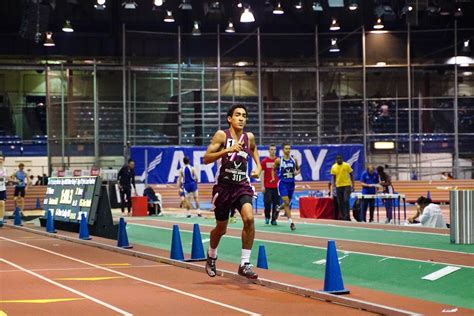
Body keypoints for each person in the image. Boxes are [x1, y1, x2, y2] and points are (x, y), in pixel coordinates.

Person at [203, 104, 262, 279]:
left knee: (249, 219)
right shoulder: (222, 135)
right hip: (223, 187)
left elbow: (253, 150)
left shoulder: (248, 137)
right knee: (221, 229)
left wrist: (258, 167)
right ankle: (212, 255)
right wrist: (228, 150)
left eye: (244, 115)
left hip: (242, 186)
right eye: (238, 115)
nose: (242, 118)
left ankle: (244, 263)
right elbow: (206, 158)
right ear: (230, 118)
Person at [274, 143, 299, 230]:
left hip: (291, 183)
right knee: (287, 202)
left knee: (286, 203)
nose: (288, 150)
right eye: (286, 149)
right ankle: (291, 222)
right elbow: (274, 169)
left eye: (289, 148)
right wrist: (276, 176)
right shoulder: (278, 160)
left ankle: (279, 207)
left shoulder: (294, 159)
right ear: (283, 150)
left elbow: (298, 169)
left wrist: (296, 172)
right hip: (282, 184)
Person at [330, 155, 355, 221]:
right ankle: (343, 216)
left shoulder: (346, 165)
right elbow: (333, 177)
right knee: (340, 202)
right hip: (338, 186)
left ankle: (347, 216)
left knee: (346, 200)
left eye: (340, 158)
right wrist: (333, 186)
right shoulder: (334, 167)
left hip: (347, 185)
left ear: (342, 159)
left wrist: (353, 185)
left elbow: (351, 175)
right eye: (338, 159)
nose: (339, 160)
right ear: (336, 160)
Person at [261, 144, 279, 225]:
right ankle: (267, 217)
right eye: (271, 149)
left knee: (276, 204)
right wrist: (262, 186)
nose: (273, 151)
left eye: (274, 149)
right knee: (267, 203)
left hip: (277, 187)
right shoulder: (264, 161)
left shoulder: (279, 161)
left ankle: (274, 219)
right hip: (267, 186)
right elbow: (262, 173)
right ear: (269, 150)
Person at [0, 156, 7, 227]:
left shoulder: (5, 169)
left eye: (2, 159)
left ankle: (1, 220)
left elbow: (5, 178)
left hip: (2, 188)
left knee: (2, 203)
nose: (0, 160)